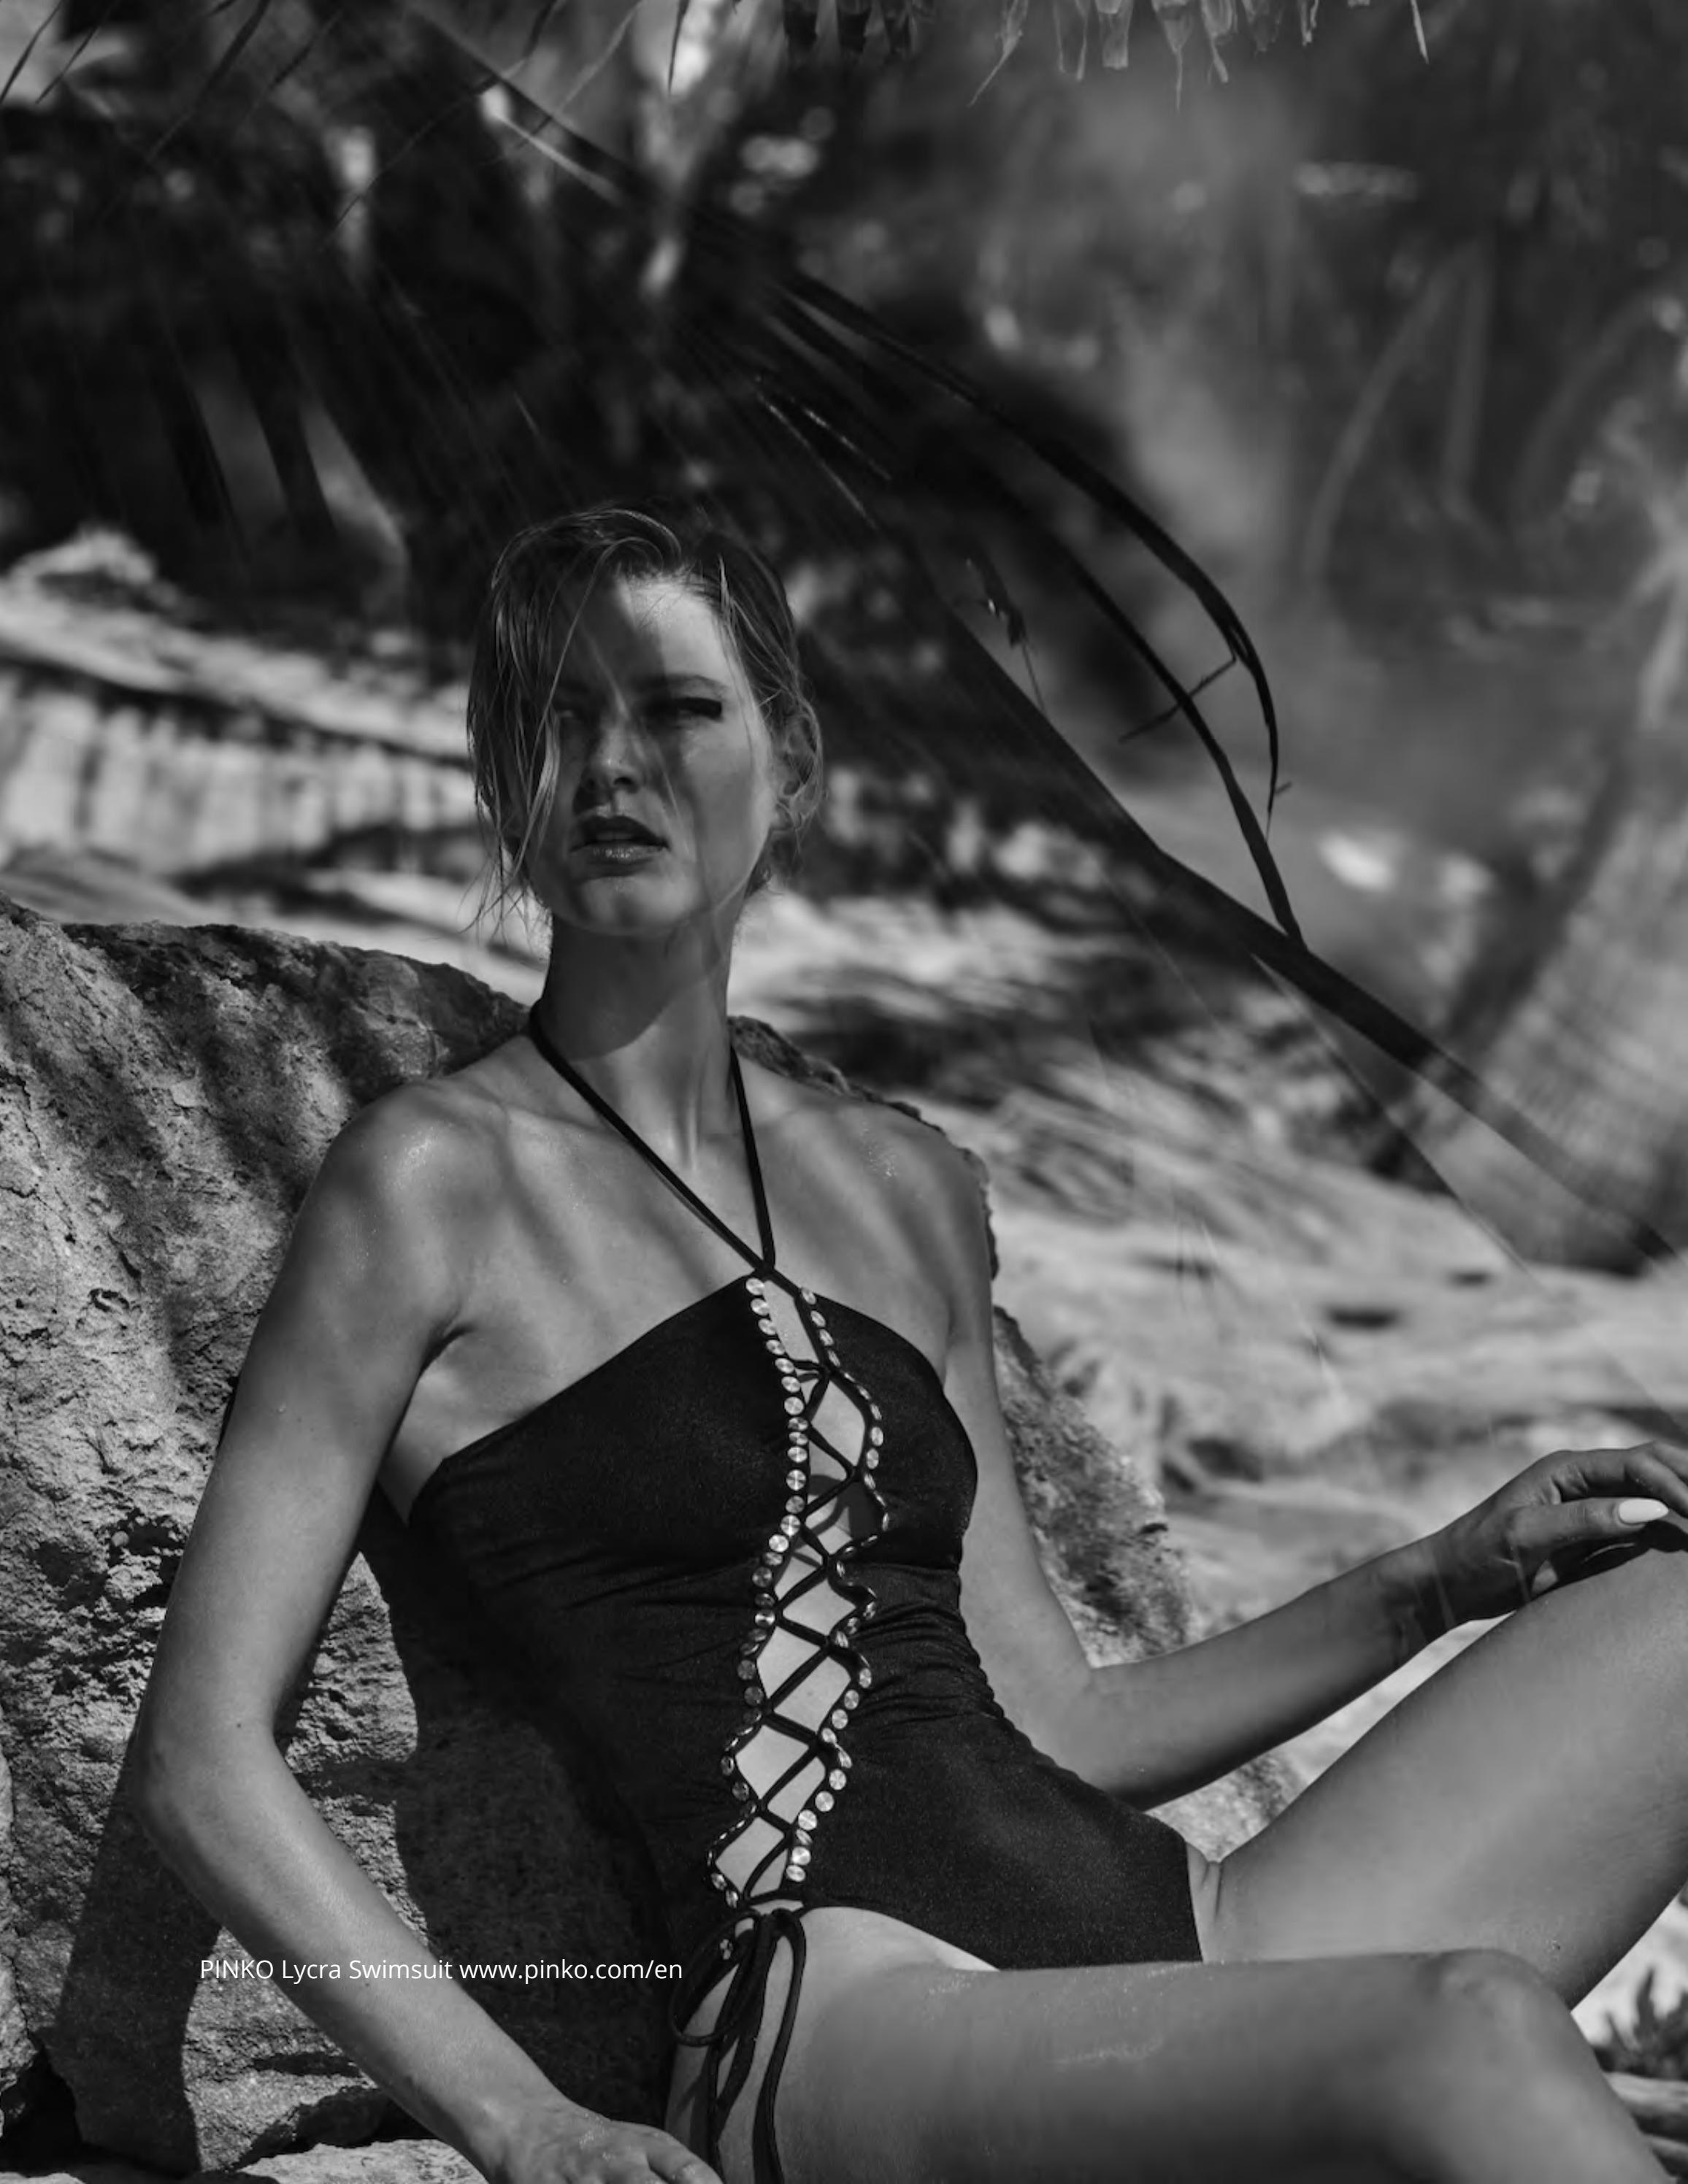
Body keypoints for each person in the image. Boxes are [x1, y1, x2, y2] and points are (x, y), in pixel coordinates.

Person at [134, 501, 1688, 2184]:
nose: (612, 764)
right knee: (1467, 2022)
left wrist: (1435, 1579)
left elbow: (1065, 1723)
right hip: (838, 2005)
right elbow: (202, 1755)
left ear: (788, 768)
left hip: (1176, 1938)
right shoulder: (428, 1182)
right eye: (558, 718)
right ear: (505, 777)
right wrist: (524, 2119)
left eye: (677, 709)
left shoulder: (903, 1186)